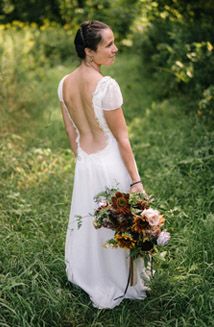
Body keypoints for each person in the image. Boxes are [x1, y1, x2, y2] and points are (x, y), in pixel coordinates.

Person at [57, 20, 148, 309]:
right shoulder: (107, 86)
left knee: (93, 221)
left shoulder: (64, 84)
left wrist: (82, 161)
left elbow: (72, 133)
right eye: (108, 45)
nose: (115, 49)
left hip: (86, 163)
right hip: (110, 163)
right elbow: (123, 139)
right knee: (117, 223)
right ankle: (118, 281)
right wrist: (136, 181)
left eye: (114, 42)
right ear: (89, 52)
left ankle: (89, 273)